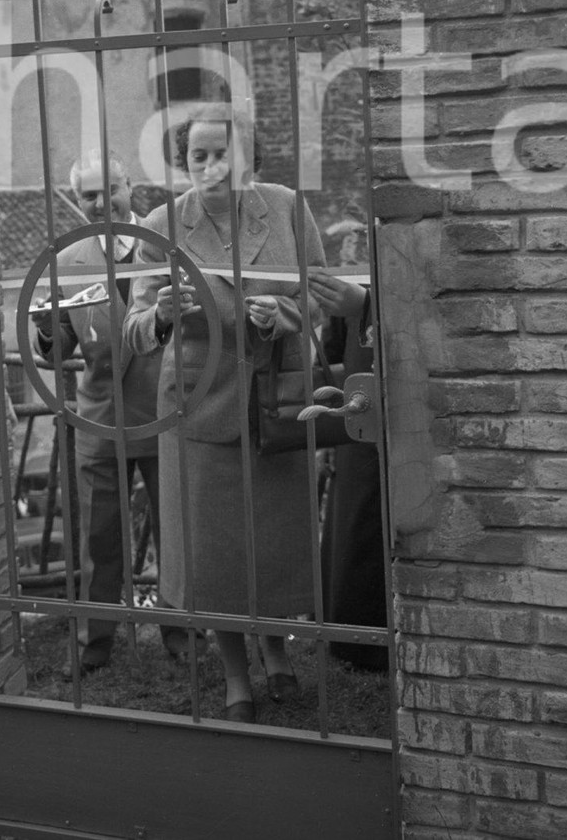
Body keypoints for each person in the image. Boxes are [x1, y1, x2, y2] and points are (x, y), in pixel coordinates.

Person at [124, 103, 325, 723]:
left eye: (224, 154)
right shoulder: (161, 224)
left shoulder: (286, 207)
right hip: (198, 406)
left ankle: (276, 649)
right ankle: (237, 674)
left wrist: (285, 313)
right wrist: (160, 314)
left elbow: (321, 292)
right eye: (199, 156)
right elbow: (132, 328)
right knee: (215, 555)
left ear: (249, 158)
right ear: (183, 163)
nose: (212, 166)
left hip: (275, 401)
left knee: (272, 542)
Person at [31, 151, 186, 672]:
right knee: (97, 538)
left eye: (109, 190)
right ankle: (93, 642)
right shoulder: (68, 259)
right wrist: (48, 329)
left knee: (174, 529)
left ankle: (183, 635)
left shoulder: (163, 243)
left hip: (164, 409)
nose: (101, 202)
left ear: (129, 188)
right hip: (99, 415)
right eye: (88, 195)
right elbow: (58, 348)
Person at [307, 268, 389, 672]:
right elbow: (332, 361)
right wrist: (328, 437)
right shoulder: (350, 276)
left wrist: (367, 306)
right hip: (357, 420)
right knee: (355, 523)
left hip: (403, 414)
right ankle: (352, 639)